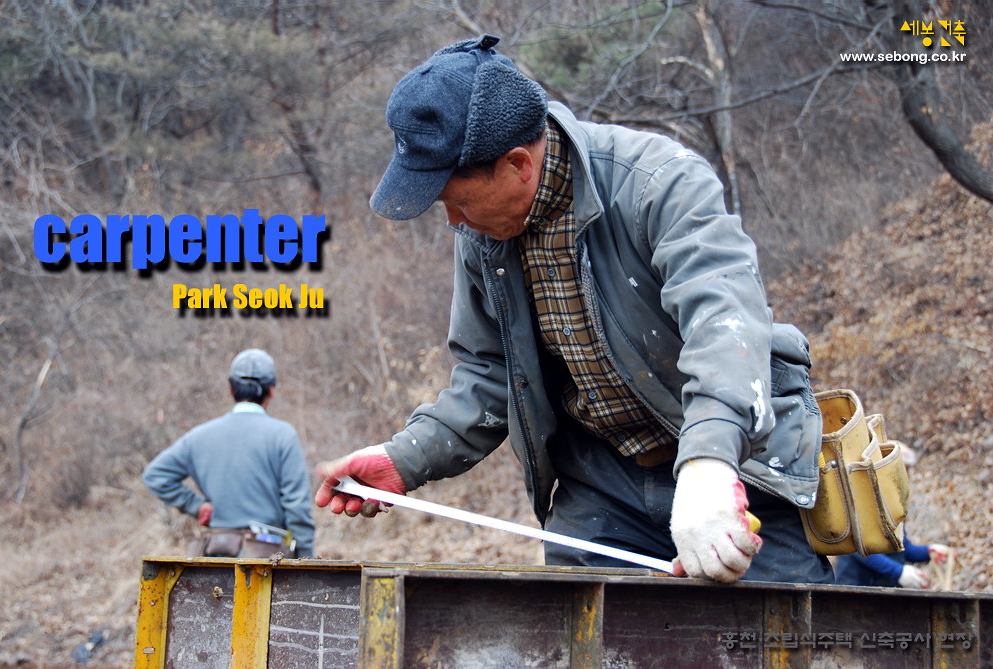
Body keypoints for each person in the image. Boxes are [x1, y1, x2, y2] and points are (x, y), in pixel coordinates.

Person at [315, 34, 833, 584]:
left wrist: (708, 467)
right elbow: (490, 377)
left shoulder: (659, 183)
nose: (454, 222)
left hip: (740, 465)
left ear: (518, 165)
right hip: (603, 483)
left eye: (458, 201)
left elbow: (727, 328)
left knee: (780, 636)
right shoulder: (485, 236)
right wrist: (403, 460)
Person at [143, 349, 315, 558]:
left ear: (230, 389)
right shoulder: (283, 436)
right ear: (271, 390)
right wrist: (306, 558)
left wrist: (195, 506)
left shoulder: (199, 436)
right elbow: (296, 507)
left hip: (213, 556)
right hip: (267, 558)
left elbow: (155, 475)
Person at [834, 444, 952, 587]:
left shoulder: (893, 504)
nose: (905, 477)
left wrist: (929, 551)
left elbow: (901, 547)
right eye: (903, 470)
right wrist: (897, 571)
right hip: (856, 588)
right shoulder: (860, 499)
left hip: (886, 591)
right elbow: (856, 548)